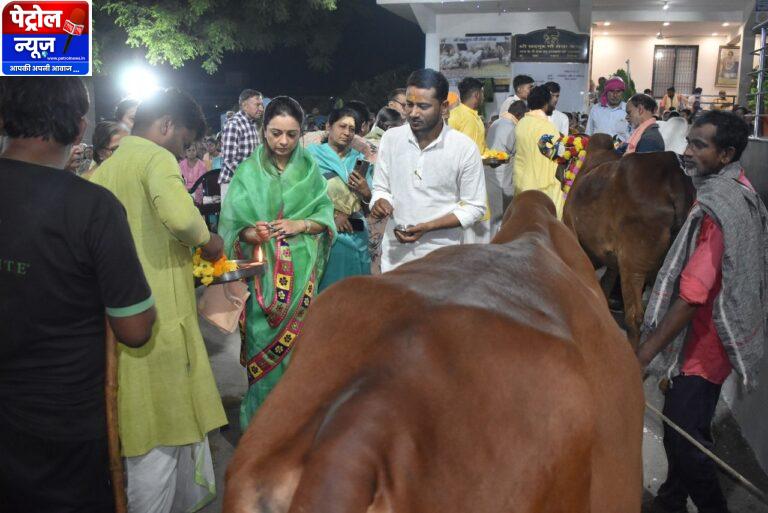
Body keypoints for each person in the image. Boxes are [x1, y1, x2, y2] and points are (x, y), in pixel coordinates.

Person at [0, 77, 156, 512]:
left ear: (3, 119)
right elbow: (135, 329)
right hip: (63, 427)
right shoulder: (93, 207)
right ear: (80, 127)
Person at [92, 88, 227, 513]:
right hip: (159, 322)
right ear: (166, 125)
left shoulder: (104, 170)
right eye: (184, 141)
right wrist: (209, 241)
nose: (183, 152)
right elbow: (183, 219)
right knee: (162, 434)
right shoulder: (156, 158)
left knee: (138, 427)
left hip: (118, 319)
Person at [637, 111, 768, 513]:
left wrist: (643, 355)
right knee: (686, 425)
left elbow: (692, 294)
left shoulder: (719, 208)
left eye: (699, 145)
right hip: (714, 334)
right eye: (688, 142)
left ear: (726, 154)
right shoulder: (738, 189)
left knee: (685, 439)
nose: (687, 152)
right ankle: (671, 500)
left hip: (706, 344)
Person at [218, 96, 336, 428]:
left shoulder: (310, 170)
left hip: (301, 273)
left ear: (301, 133)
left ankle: (294, 429)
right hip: (261, 275)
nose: (283, 141)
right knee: (261, 342)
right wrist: (253, 233)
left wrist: (301, 224)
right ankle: (260, 428)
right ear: (263, 131)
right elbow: (232, 225)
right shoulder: (247, 171)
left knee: (298, 351)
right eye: (275, 133)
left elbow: (325, 218)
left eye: (291, 134)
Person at [370, 68, 486, 271]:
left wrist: (429, 226)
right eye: (409, 105)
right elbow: (381, 188)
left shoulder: (464, 148)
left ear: (444, 107)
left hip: (442, 259)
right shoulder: (391, 139)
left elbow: (474, 207)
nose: (413, 113)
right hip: (394, 256)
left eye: (423, 106)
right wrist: (381, 201)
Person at [306, 107, 371, 290]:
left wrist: (366, 191)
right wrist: (332, 215)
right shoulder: (311, 156)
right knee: (330, 291)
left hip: (357, 232)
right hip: (326, 233)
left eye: (352, 129)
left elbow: (368, 206)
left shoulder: (359, 160)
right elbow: (304, 196)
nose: (347, 132)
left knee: (357, 292)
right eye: (342, 126)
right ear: (329, 126)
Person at [513, 85, 564, 218]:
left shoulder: (521, 123)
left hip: (522, 185)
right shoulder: (546, 126)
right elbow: (548, 152)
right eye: (551, 101)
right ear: (545, 103)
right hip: (544, 189)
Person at [365, 107, 405, 275]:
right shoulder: (379, 145)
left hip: (377, 206)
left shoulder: (364, 142)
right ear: (388, 127)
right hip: (380, 209)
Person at [485, 99, 529, 234]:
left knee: (492, 216)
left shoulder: (495, 123)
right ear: (519, 115)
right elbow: (519, 153)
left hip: (489, 174)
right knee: (502, 217)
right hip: (504, 178)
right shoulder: (513, 128)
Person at [220, 89, 263, 201]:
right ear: (244, 105)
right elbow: (229, 159)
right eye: (257, 105)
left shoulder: (252, 125)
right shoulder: (234, 124)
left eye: (261, 105)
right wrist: (249, 176)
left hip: (248, 183)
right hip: (233, 184)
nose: (261, 109)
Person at [448, 76, 488, 153]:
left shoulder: (477, 118)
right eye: (482, 93)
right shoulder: (454, 116)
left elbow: (482, 148)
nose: (484, 97)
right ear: (477, 95)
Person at [586, 76, 630, 142]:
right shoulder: (596, 109)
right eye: (611, 91)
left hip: (622, 148)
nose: (615, 95)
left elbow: (634, 134)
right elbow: (588, 133)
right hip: (598, 147)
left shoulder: (628, 110)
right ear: (606, 92)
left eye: (618, 91)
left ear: (622, 93)